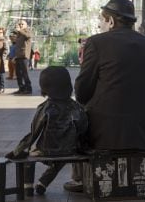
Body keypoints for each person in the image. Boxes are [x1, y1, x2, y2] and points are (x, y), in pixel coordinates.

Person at [64, 0, 145, 192]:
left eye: (101, 20)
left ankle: (80, 179)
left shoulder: (96, 43)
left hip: (106, 130)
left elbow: (82, 91)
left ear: (110, 21)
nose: (100, 25)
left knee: (74, 118)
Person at [5, 66, 88, 196]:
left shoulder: (45, 108)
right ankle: (43, 181)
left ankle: (28, 187)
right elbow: (83, 129)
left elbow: (33, 134)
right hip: (69, 150)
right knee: (61, 159)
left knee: (29, 155)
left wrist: (17, 151)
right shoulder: (76, 107)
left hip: (45, 149)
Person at [13, 20, 33, 95]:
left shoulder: (27, 31)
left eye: (22, 24)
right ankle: (21, 88)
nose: (20, 25)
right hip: (18, 56)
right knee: (18, 74)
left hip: (24, 56)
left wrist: (20, 31)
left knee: (25, 73)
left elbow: (28, 36)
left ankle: (28, 88)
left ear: (26, 25)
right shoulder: (19, 33)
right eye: (19, 24)